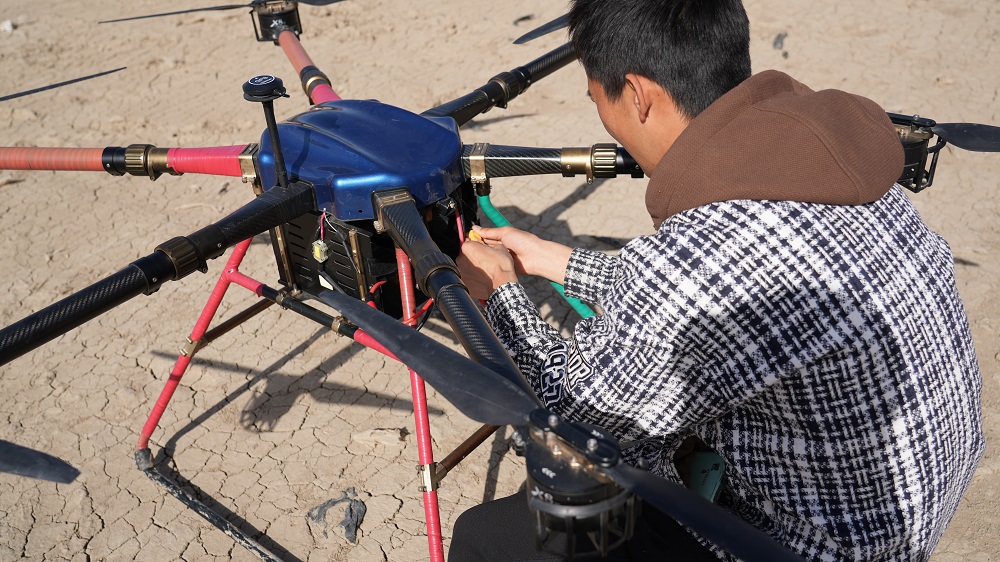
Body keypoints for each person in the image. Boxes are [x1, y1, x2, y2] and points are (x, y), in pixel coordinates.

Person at [449, 0, 985, 560]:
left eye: (598, 100)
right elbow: (718, 303)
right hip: (913, 500)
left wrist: (499, 299)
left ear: (638, 95)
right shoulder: (828, 166)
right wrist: (554, 261)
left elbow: (576, 421)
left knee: (490, 536)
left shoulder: (697, 263)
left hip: (817, 548)